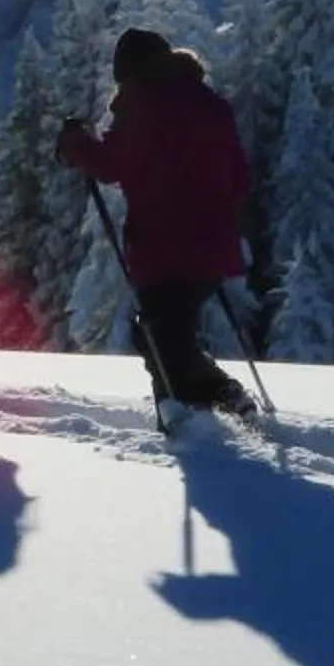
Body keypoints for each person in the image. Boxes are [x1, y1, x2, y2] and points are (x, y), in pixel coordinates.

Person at [54, 26, 255, 417]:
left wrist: (74, 143)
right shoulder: (211, 104)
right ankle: (199, 407)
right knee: (167, 335)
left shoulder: (143, 105)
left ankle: (202, 407)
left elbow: (111, 164)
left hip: (163, 245)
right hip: (214, 243)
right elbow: (242, 177)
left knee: (160, 336)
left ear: (130, 72)